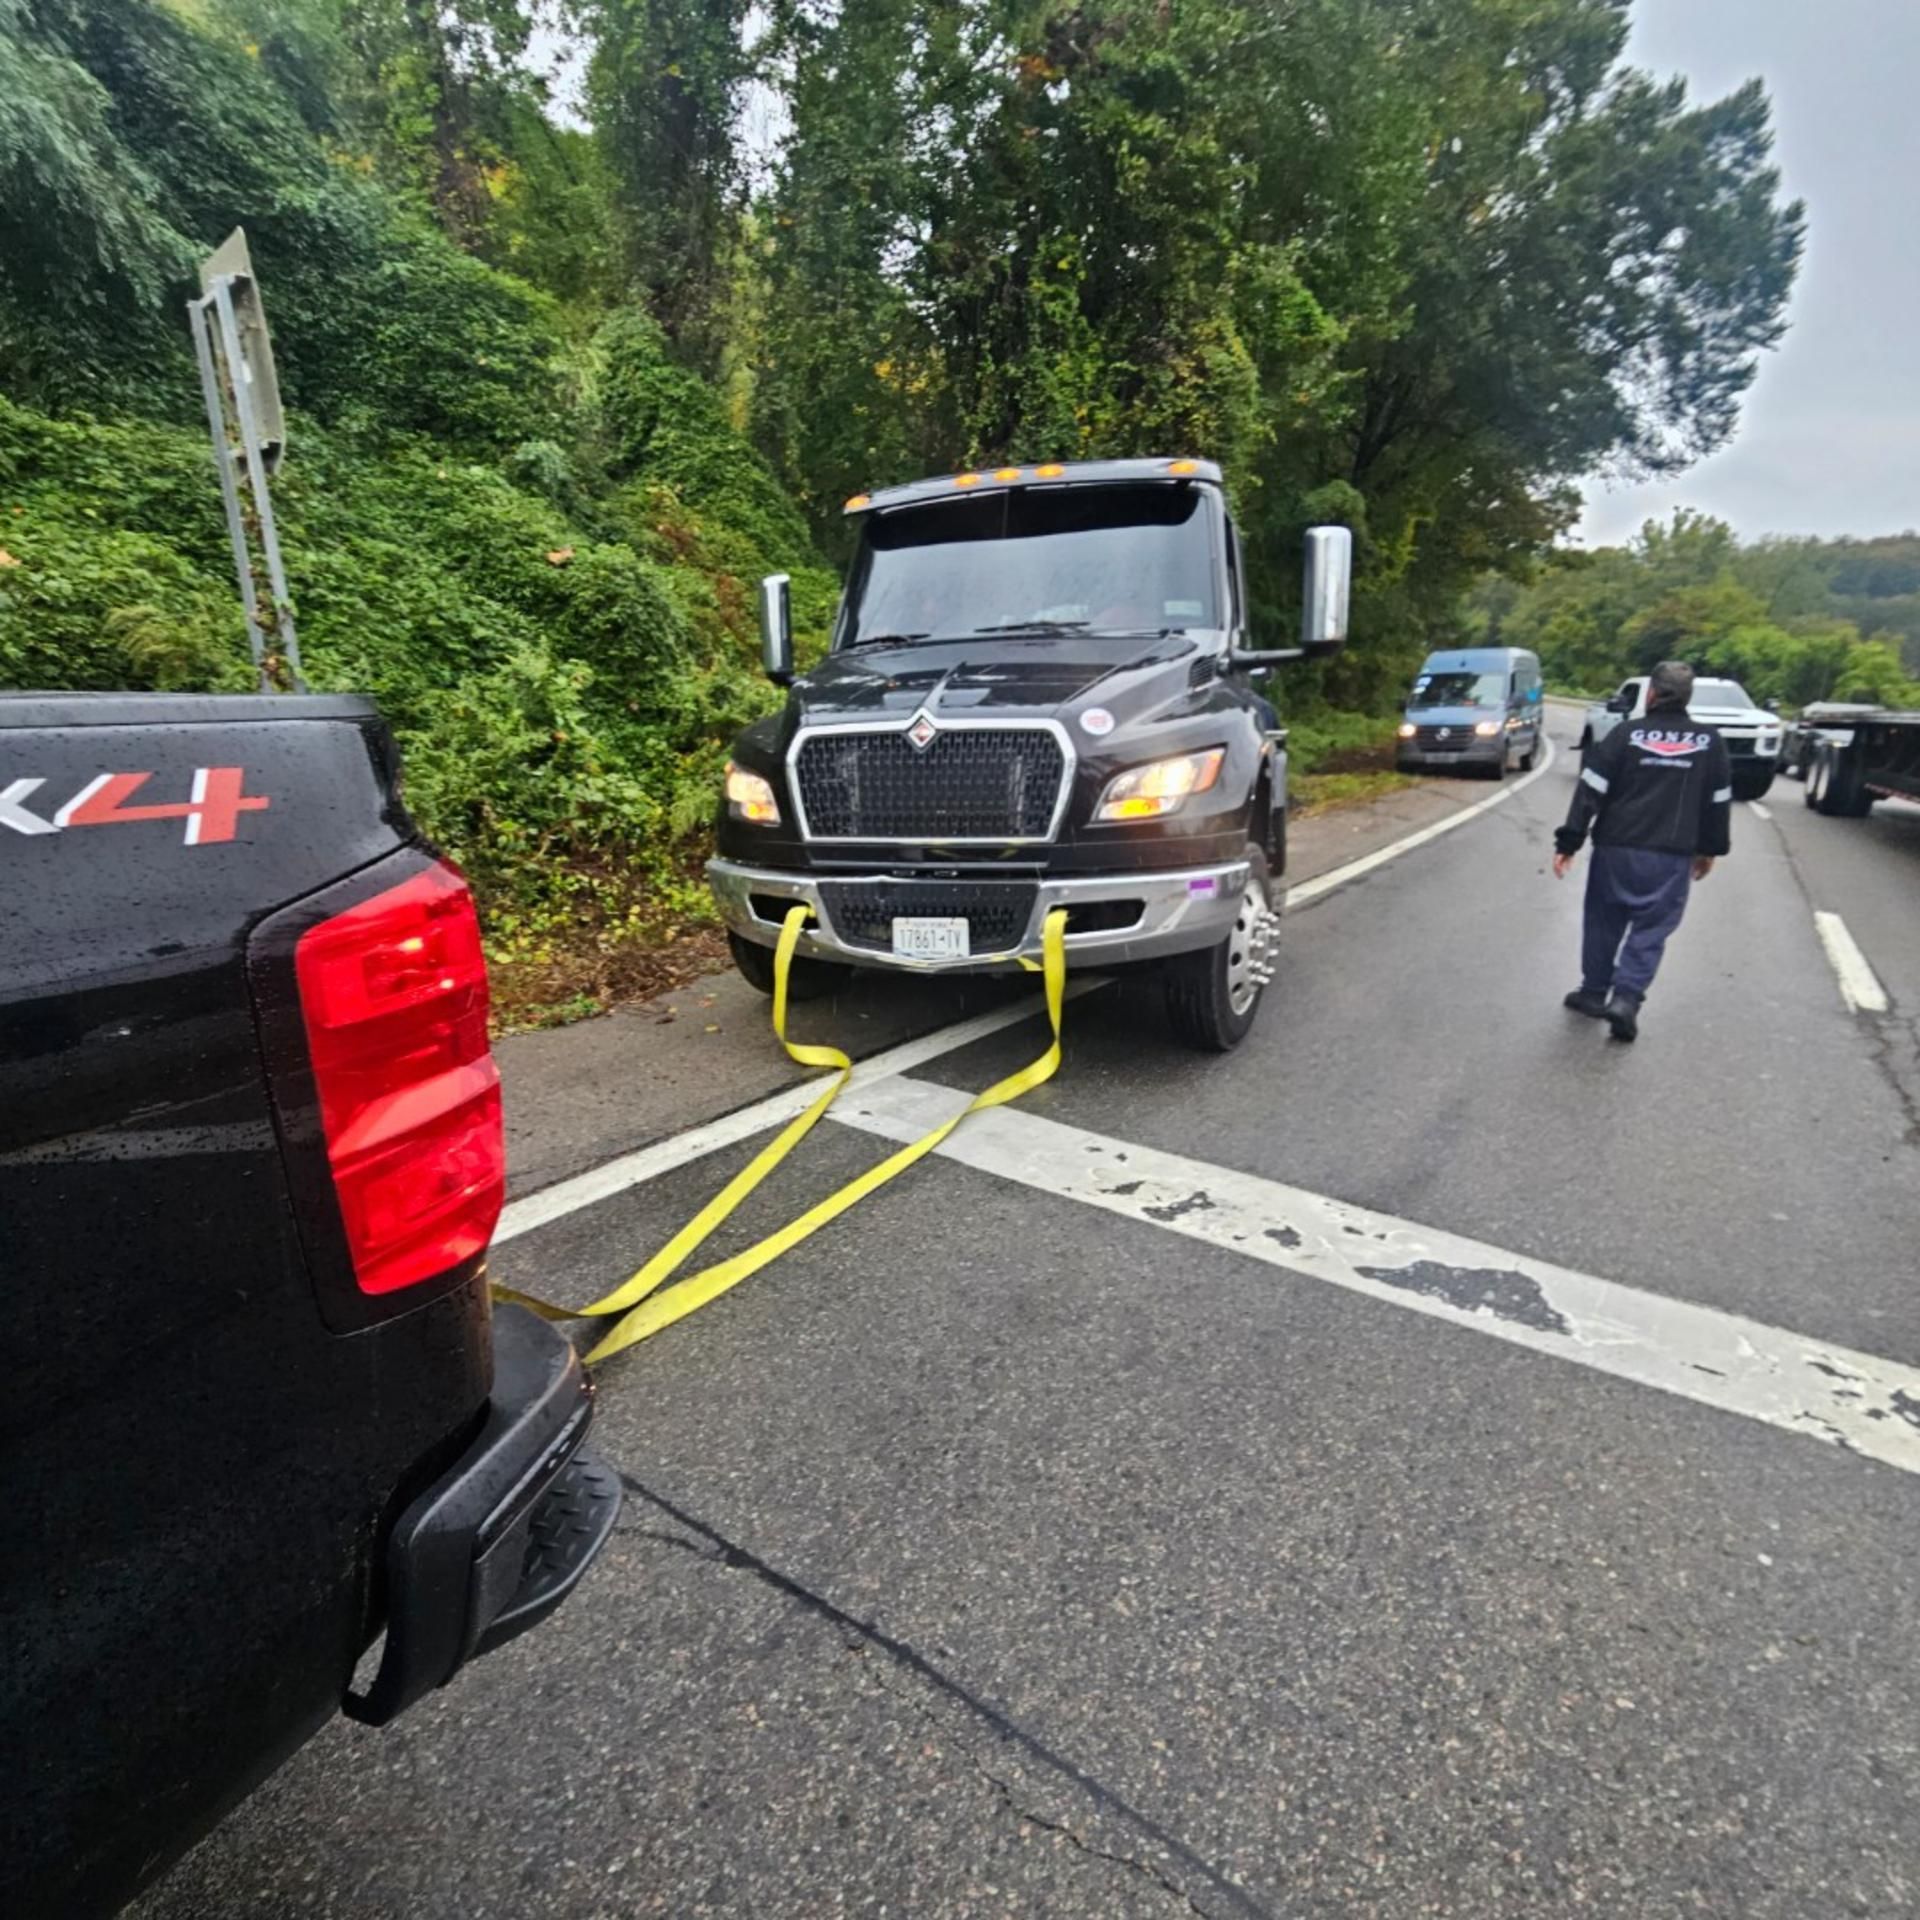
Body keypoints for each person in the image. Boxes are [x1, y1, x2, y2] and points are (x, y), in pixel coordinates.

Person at [1552, 659, 1732, 1043]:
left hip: (1615, 849)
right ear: (1688, 697)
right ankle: (1627, 999)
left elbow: (1590, 790)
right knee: (1651, 928)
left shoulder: (1624, 735)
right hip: (1671, 854)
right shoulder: (1710, 743)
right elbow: (1717, 802)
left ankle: (1593, 992)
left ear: (1651, 693)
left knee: (1603, 920)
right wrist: (1709, 850)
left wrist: (1569, 841)